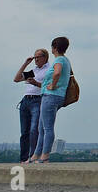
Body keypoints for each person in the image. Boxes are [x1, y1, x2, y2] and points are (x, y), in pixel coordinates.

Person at [29, 36, 72, 164]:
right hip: (54, 96)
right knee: (41, 128)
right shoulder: (65, 60)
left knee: (47, 128)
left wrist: (52, 85)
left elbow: (57, 73)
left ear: (54, 48)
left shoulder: (59, 60)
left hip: (51, 96)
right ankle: (36, 156)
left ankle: (45, 156)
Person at [13, 48, 50, 163]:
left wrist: (36, 83)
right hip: (26, 100)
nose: (36, 59)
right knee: (24, 131)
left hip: (37, 100)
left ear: (45, 57)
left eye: (38, 57)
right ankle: (23, 158)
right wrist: (25, 63)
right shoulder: (33, 70)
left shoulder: (49, 70)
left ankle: (34, 156)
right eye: (35, 57)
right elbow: (16, 79)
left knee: (34, 129)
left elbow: (49, 86)